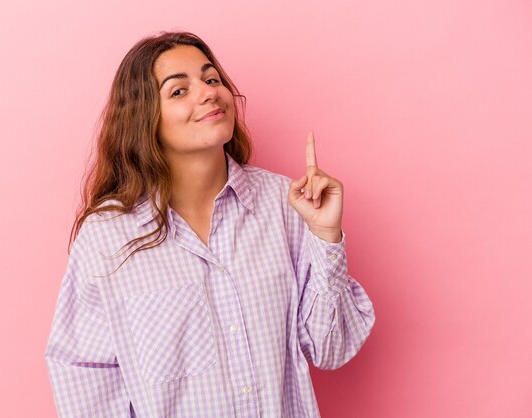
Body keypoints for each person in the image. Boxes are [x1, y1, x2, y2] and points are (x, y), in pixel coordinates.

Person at [44, 31, 375, 418]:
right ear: (144, 118)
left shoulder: (286, 204)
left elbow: (331, 348)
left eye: (211, 78)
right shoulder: (108, 236)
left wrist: (326, 237)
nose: (207, 93)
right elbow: (84, 379)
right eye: (178, 91)